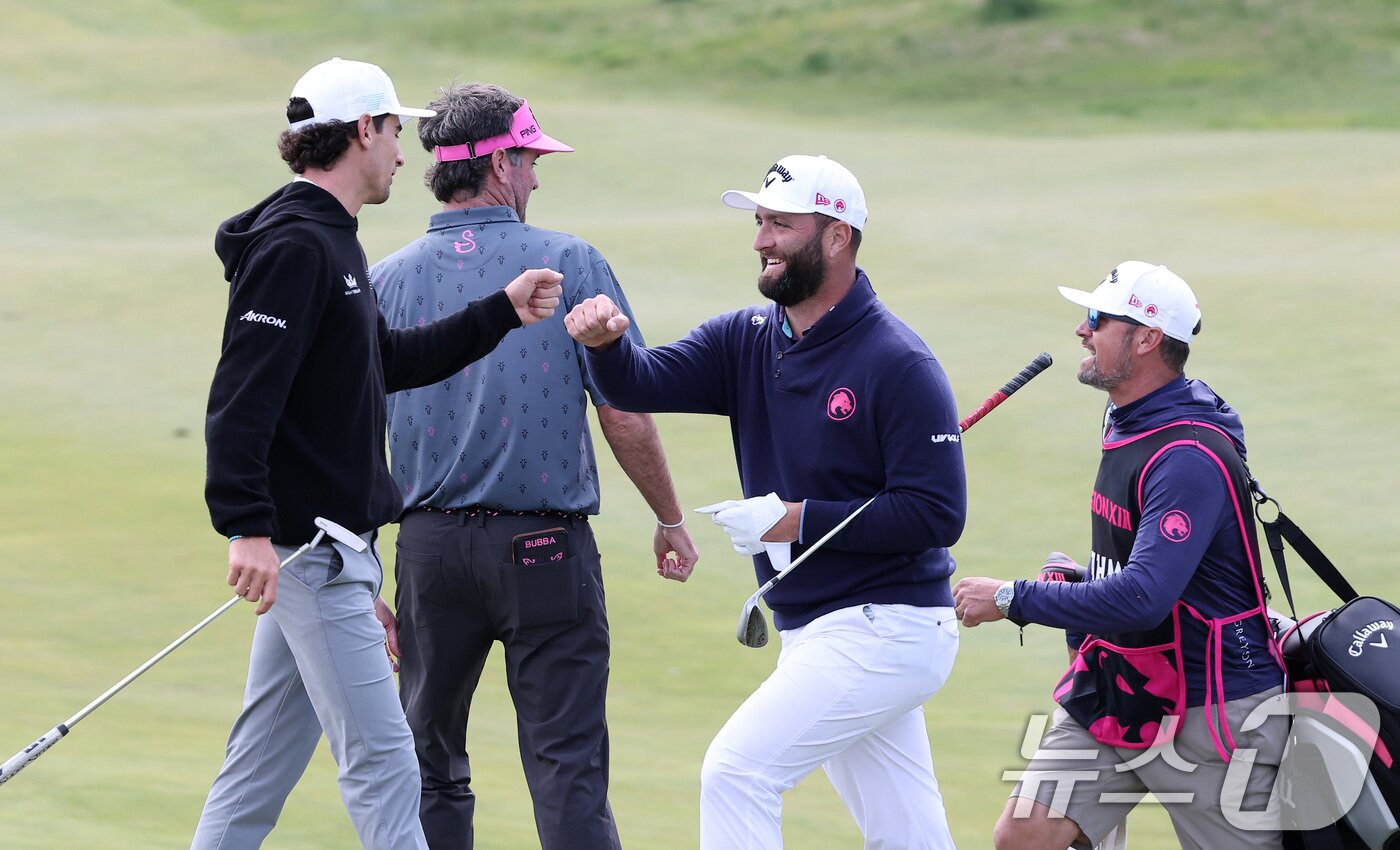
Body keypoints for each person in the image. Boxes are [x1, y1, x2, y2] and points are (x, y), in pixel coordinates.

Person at [195, 59, 563, 850]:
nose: (404, 150)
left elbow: (381, 362)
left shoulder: (332, 241)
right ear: (363, 131)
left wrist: (498, 311)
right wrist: (246, 528)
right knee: (387, 767)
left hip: (326, 553)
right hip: (315, 554)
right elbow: (240, 400)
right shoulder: (298, 247)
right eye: (395, 130)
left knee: (258, 769)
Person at [565, 154, 966, 850]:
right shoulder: (746, 339)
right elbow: (639, 382)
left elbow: (936, 513)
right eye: (759, 222)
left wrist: (792, 520)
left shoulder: (898, 361)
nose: (761, 240)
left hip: (884, 627)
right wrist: (606, 345)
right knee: (907, 833)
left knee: (737, 772)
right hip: (828, 630)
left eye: (781, 224)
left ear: (837, 236)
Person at [370, 82, 699, 850]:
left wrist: (362, 572)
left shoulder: (384, 280)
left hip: (429, 556)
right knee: (567, 767)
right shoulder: (569, 262)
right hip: (544, 551)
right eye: (530, 159)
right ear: (499, 164)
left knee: (429, 764)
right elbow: (624, 410)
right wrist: (669, 519)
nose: (538, 177)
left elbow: (355, 435)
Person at [952, 261, 1287, 850]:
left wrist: (1012, 599)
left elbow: (1144, 597)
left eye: (1096, 319)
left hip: (1212, 704)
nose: (1082, 331)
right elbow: (1145, 575)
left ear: (1147, 338)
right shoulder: (1128, 418)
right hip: (1122, 686)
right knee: (1026, 837)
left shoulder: (1186, 452)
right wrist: (1084, 583)